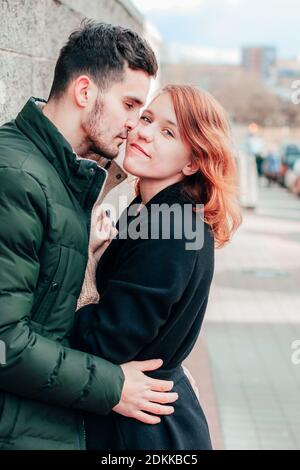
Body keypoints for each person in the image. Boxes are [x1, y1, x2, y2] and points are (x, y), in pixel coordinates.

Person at [0, 21, 179, 450]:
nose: (136, 126)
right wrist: (114, 385)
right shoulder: (17, 177)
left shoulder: (65, 173)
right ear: (85, 92)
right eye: (130, 104)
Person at [71, 85, 242, 450]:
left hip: (141, 429)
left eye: (168, 132)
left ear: (192, 162)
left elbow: (106, 342)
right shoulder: (149, 212)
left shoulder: (172, 229)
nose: (145, 132)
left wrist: (85, 268)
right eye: (146, 118)